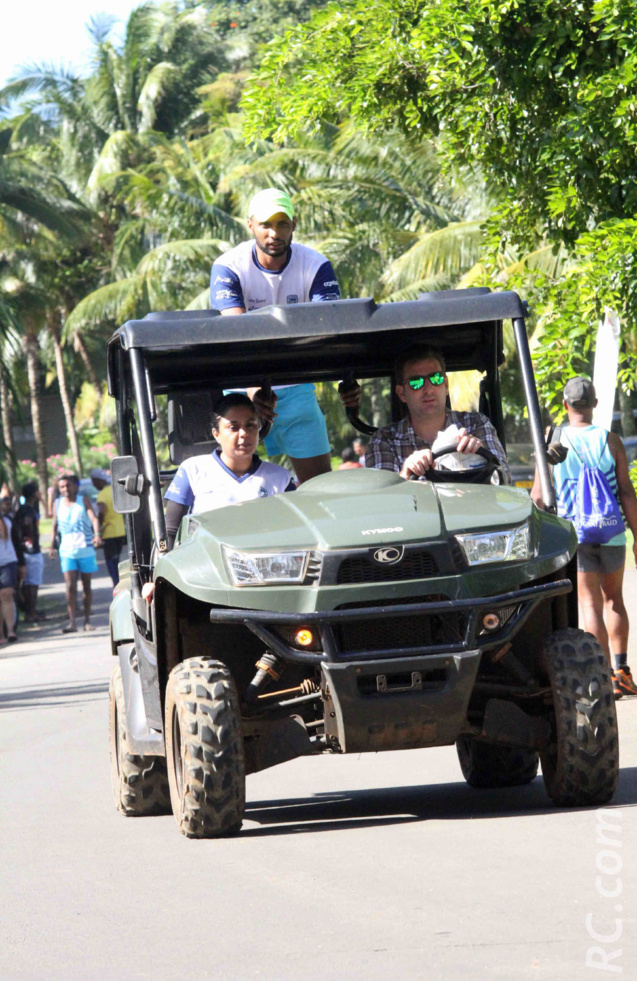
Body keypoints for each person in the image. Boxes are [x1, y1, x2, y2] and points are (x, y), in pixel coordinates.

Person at [209, 188, 342, 484]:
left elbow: (327, 331)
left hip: (298, 390)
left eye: (282, 224)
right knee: (235, 492)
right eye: (266, 225)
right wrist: (253, 389)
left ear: (294, 224)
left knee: (320, 490)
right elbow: (238, 334)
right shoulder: (228, 267)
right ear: (250, 225)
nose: (274, 233)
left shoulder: (317, 265)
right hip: (240, 393)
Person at [531, 377, 637, 698]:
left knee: (589, 603)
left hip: (575, 533)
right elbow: (627, 493)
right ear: (595, 405)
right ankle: (622, 671)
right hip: (612, 532)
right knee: (614, 600)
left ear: (566, 405)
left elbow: (538, 495)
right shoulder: (612, 440)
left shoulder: (553, 439)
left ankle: (602, 676)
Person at [164, 393, 295, 549]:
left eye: (250, 425)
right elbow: (170, 532)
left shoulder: (281, 478)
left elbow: (295, 529)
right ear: (216, 434)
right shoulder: (192, 470)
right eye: (234, 427)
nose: (244, 434)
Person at [364, 344, 510, 480]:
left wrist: (482, 456)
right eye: (417, 382)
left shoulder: (477, 424)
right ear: (402, 393)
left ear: (445, 385)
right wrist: (406, 474)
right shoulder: (384, 441)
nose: (428, 389)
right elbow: (382, 501)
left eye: (436, 378)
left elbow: (504, 481)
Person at [49, 474, 102, 633]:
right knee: (70, 585)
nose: (66, 489)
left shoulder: (83, 500)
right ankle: (72, 622)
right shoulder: (57, 504)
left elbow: (94, 518)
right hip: (67, 551)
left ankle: (87, 621)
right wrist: (52, 547)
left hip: (85, 550)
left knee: (86, 585)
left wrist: (97, 534)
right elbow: (54, 526)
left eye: (68, 486)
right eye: (62, 487)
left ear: (75, 487)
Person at [13, 481, 44, 623]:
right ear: (35, 494)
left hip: (24, 550)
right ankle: (30, 613)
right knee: (32, 584)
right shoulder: (28, 510)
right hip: (31, 551)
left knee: (28, 584)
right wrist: (31, 536)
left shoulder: (22, 508)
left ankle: (30, 611)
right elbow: (27, 522)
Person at [90, 467, 126, 587]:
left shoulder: (102, 495)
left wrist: (98, 528)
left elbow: (101, 510)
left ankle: (116, 584)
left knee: (111, 561)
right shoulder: (114, 490)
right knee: (117, 559)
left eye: (94, 482)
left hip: (109, 532)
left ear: (99, 480)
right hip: (120, 531)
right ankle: (119, 582)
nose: (93, 485)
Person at [0, 504, 25, 644]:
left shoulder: (7, 520)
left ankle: (10, 631)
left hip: (8, 562)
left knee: (6, 595)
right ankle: (0, 634)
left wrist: (22, 564)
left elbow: (16, 542)